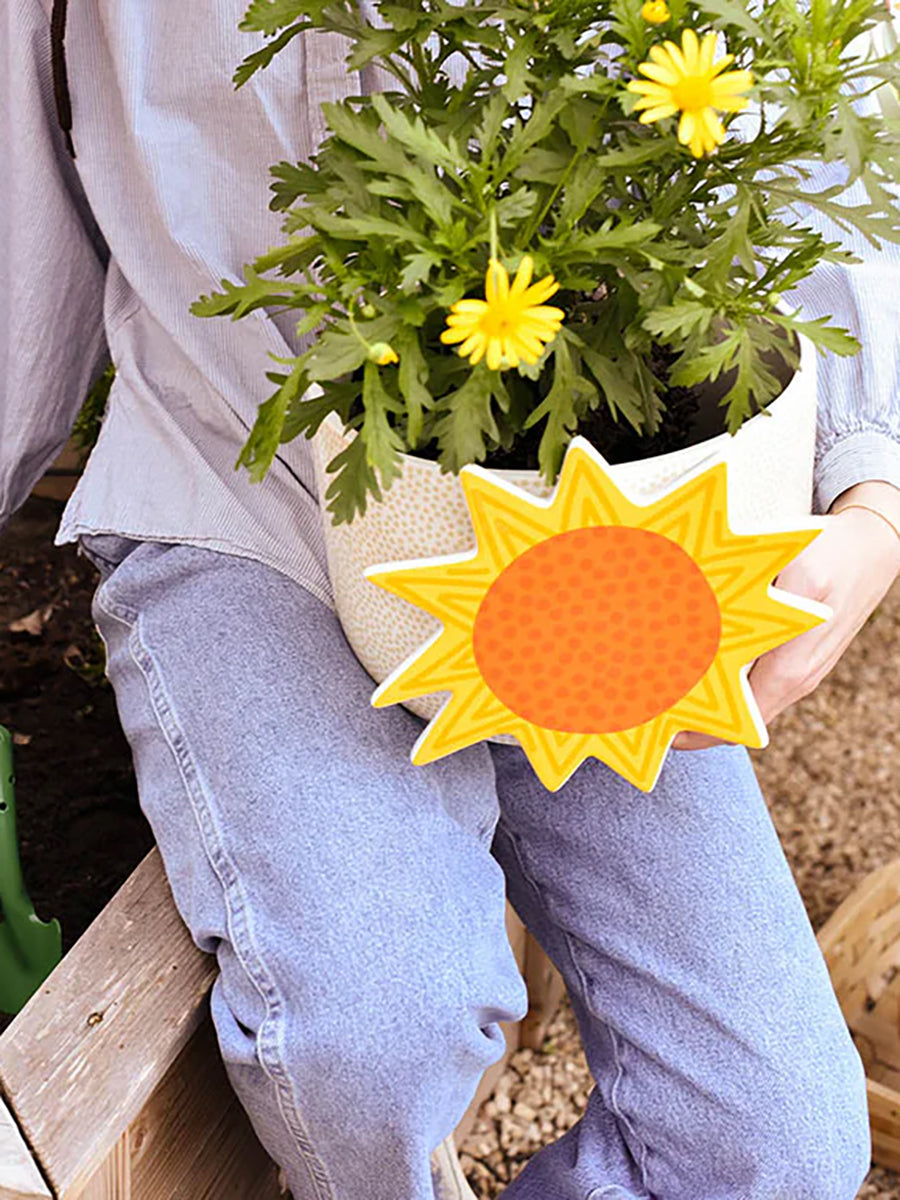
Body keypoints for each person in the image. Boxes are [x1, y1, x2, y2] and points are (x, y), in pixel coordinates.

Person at [4, 2, 900, 1197]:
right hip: (242, 482)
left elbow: (814, 96)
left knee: (774, 1145)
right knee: (379, 1036)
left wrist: (874, 490)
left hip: (568, 501)